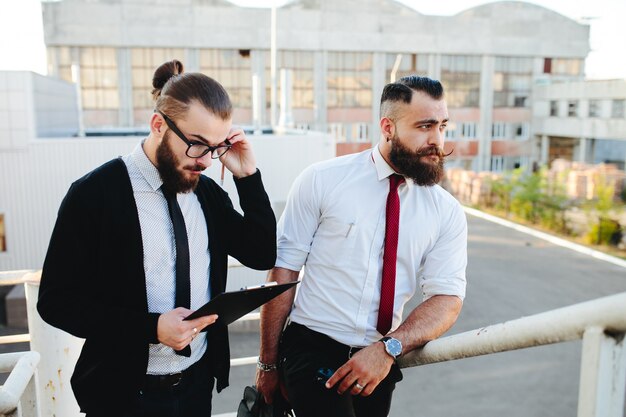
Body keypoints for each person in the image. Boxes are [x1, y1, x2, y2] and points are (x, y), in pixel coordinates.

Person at [37, 59, 277, 417]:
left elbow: (261, 253)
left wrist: (247, 176)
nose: (207, 161)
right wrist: (151, 328)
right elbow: (55, 302)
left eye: (216, 148)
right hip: (120, 396)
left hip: (196, 387)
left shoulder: (207, 194)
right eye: (196, 145)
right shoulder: (94, 194)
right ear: (158, 125)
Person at [256, 75, 467, 417]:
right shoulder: (322, 180)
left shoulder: (446, 211)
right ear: (388, 127)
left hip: (380, 357)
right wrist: (267, 364)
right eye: (425, 126)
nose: (438, 140)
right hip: (312, 347)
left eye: (442, 126)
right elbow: (284, 271)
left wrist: (389, 348)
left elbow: (447, 298)